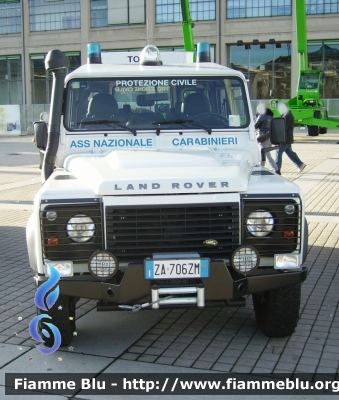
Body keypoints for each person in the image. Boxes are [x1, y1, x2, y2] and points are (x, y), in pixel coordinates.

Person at [275, 103, 306, 175]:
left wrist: (278, 138)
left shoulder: (286, 116)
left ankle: (277, 169)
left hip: (284, 139)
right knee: (290, 153)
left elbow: (283, 128)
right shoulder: (289, 115)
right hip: (288, 138)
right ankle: (300, 164)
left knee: (278, 152)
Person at [254, 104, 278, 172]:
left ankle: (276, 169)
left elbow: (254, 126)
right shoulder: (271, 116)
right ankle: (261, 168)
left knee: (267, 155)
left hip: (263, 138)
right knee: (263, 154)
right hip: (269, 137)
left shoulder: (261, 116)